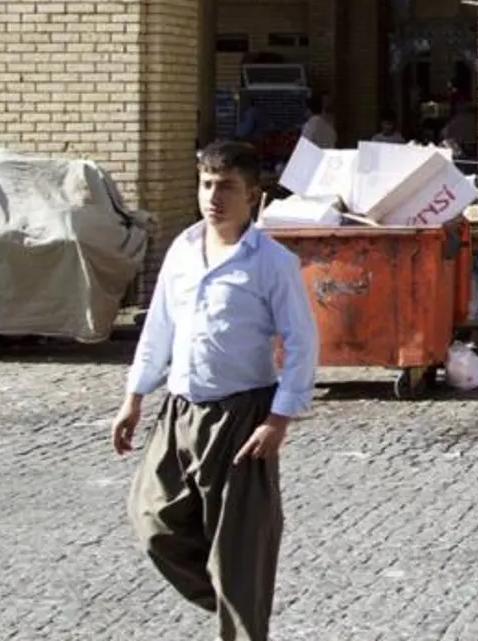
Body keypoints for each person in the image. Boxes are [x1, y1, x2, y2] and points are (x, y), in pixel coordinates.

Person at [112, 140, 319, 641]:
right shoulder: (182, 251)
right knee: (154, 520)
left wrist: (279, 419)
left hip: (242, 416)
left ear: (252, 195)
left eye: (226, 187)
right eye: (207, 184)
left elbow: (302, 341)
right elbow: (158, 329)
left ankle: (242, 618)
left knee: (240, 548)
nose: (214, 197)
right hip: (180, 411)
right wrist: (134, 397)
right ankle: (227, 600)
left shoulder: (271, 262)